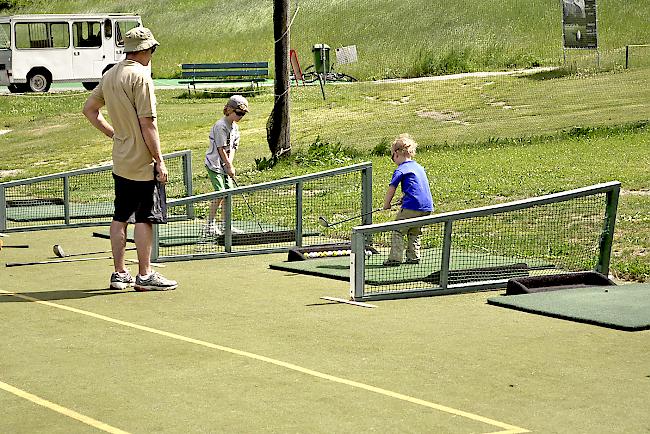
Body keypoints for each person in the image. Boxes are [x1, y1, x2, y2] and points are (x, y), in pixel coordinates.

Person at [82, 27, 177, 291]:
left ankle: (119, 273)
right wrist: (159, 160)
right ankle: (145, 275)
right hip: (142, 161)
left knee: (120, 215)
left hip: (121, 159)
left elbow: (89, 110)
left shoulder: (111, 74)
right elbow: (148, 124)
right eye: (152, 50)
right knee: (145, 218)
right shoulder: (141, 77)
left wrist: (115, 135)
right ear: (145, 50)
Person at [382, 134, 434, 266]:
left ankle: (395, 259)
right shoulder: (419, 167)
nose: (393, 160)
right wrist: (404, 197)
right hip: (427, 207)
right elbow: (417, 187)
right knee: (415, 231)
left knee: (398, 230)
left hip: (412, 206)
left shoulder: (401, 169)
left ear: (397, 154)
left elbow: (392, 188)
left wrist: (387, 204)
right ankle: (414, 257)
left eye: (392, 157)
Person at [203, 95, 249, 236]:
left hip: (225, 165)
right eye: (238, 113)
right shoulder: (220, 126)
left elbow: (233, 148)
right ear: (229, 110)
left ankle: (226, 225)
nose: (240, 116)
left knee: (229, 194)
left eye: (243, 114)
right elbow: (220, 148)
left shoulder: (235, 128)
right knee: (220, 193)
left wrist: (230, 165)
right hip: (214, 164)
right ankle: (209, 225)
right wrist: (227, 165)